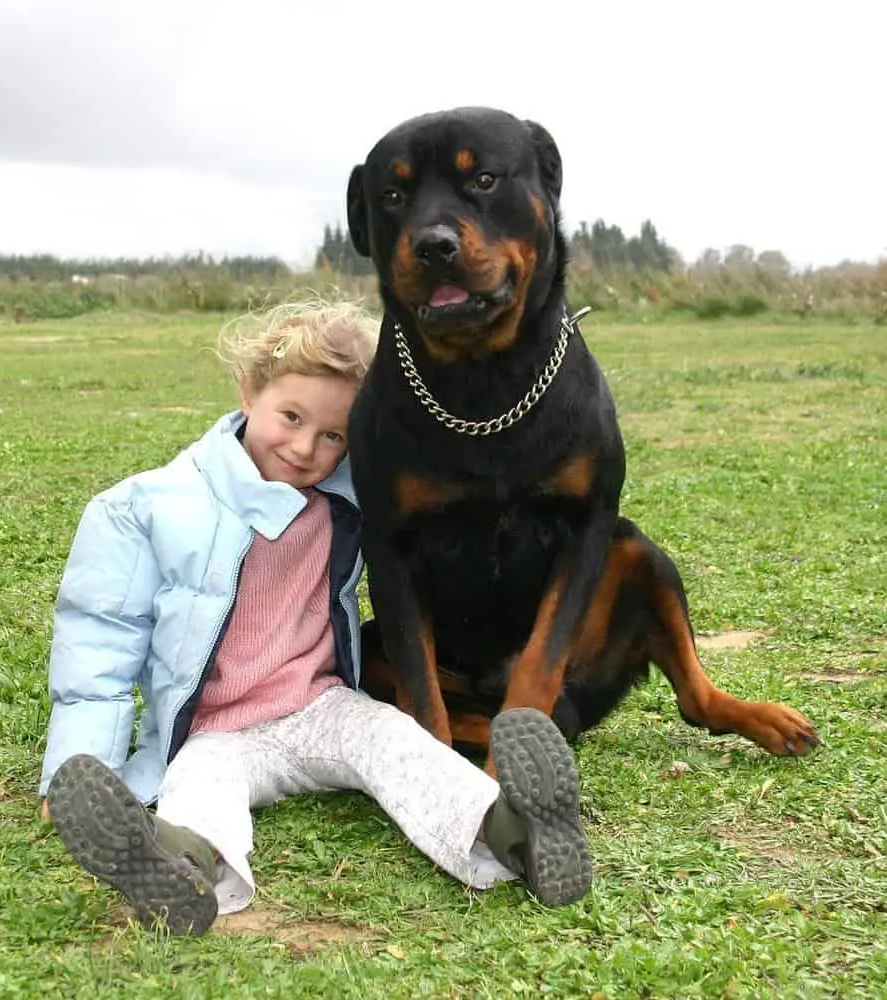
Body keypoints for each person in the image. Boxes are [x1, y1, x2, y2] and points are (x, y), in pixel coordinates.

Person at [39, 299, 592, 936]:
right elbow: (99, 642)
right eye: (291, 417)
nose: (307, 448)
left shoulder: (352, 492)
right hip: (216, 730)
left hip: (322, 708)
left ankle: (516, 833)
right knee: (197, 787)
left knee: (395, 743)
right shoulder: (146, 508)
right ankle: (178, 867)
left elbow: (439, 456)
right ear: (250, 391)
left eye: (335, 436)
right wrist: (77, 763)